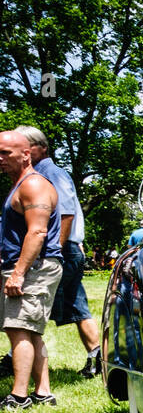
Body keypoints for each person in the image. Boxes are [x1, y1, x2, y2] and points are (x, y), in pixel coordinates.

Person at [16, 126, 102, 379]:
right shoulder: (40, 174)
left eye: (26, 147)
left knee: (31, 303)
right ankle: (97, 359)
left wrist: (56, 250)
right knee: (76, 306)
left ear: (41, 148)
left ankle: (17, 361)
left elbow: (66, 213)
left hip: (58, 250)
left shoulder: (51, 174)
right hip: (66, 249)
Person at [0, 130, 63, 409]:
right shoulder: (20, 184)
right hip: (28, 266)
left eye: (5, 153)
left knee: (19, 329)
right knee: (30, 330)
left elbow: (37, 232)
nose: (0, 159)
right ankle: (42, 392)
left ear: (26, 155)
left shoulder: (33, 185)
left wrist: (19, 272)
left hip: (33, 267)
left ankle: (19, 396)